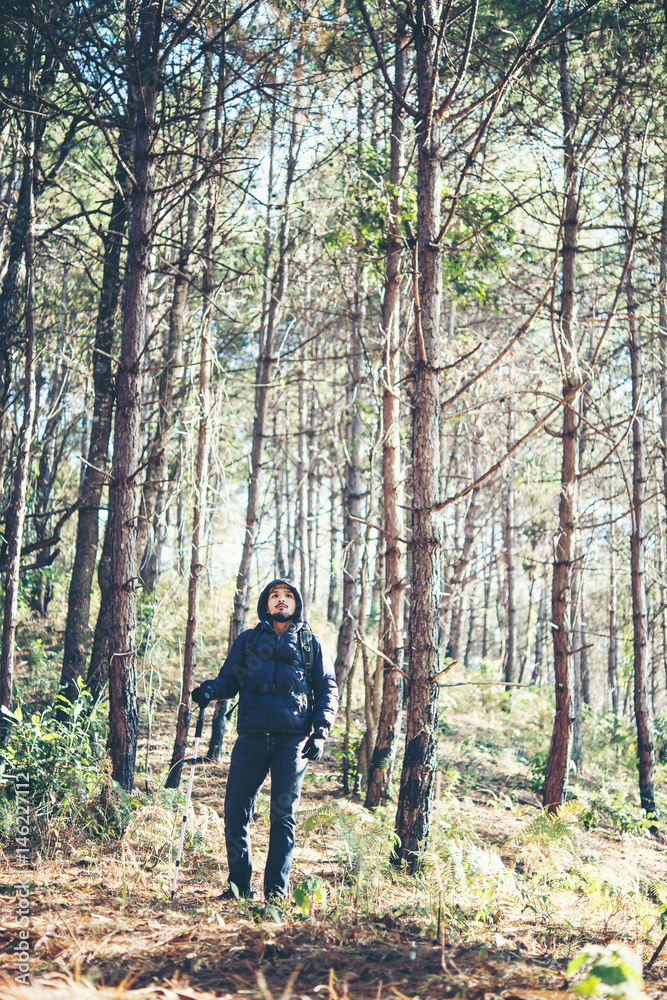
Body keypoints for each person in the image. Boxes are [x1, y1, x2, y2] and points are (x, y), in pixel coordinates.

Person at [191, 578, 339, 901]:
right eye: (275, 596)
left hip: (293, 741)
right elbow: (229, 680)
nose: (281, 601)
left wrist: (320, 732)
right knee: (234, 812)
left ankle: (275, 894)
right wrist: (210, 690)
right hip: (252, 738)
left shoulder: (310, 644)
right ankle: (238, 889)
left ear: (296, 603)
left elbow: (328, 688)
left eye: (287, 596)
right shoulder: (249, 642)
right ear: (266, 603)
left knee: (283, 817)